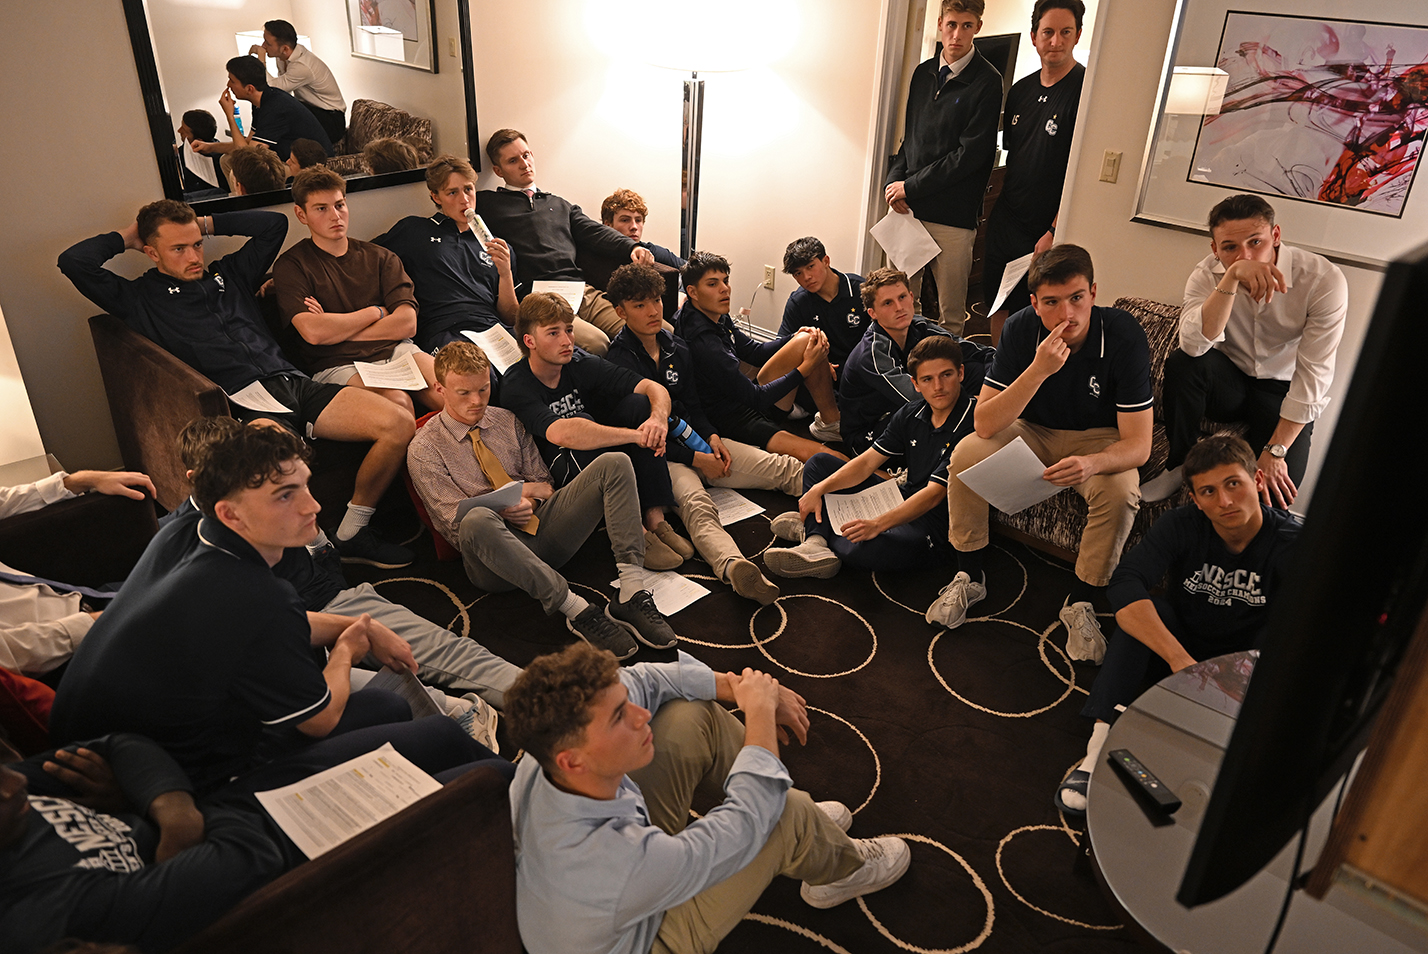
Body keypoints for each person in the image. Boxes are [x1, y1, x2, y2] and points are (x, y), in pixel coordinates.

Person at [45, 424, 488, 794]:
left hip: (103, 735)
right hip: (167, 774)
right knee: (441, 735)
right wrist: (349, 648)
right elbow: (320, 718)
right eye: (284, 495)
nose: (312, 506)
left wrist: (358, 625)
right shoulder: (254, 593)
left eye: (306, 487)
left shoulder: (185, 532)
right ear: (231, 514)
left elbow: (265, 626)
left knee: (385, 708)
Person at [57, 199, 418, 569]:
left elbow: (273, 225)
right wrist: (127, 237)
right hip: (242, 401)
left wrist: (204, 223)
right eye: (178, 249)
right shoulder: (139, 299)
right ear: (151, 252)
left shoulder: (230, 274)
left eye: (196, 244)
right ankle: (318, 550)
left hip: (292, 382)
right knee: (281, 460)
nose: (193, 255)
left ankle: (353, 531)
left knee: (398, 424)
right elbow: (73, 262)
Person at [505, 642, 911, 954]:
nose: (639, 714)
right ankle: (840, 869)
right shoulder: (613, 861)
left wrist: (736, 688)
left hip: (613, 897)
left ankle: (811, 837)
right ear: (572, 761)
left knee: (688, 714)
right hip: (646, 935)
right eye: (618, 717)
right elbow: (750, 819)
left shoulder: (543, 762)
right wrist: (760, 714)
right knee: (782, 817)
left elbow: (644, 678)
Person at [173, 417, 515, 748]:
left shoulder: (265, 508)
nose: (310, 506)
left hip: (324, 601)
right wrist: (349, 643)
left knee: (445, 653)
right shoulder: (194, 548)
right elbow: (310, 706)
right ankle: (456, 710)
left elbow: (308, 566)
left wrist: (345, 613)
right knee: (381, 695)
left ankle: (549, 697)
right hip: (292, 633)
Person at [1053, 435, 1301, 816]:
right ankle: (1094, 755)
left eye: (1234, 483)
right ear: (1196, 500)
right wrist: (1180, 660)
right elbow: (1126, 581)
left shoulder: (1292, 541)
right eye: (1209, 491)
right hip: (1177, 650)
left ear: (1258, 481)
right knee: (1142, 613)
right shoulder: (1183, 524)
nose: (1225, 501)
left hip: (1242, 663)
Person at [931, 245, 1152, 650]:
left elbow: (1139, 445)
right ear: (1035, 303)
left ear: (1093, 293)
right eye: (1051, 302)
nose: (1066, 314)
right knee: (964, 455)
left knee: (1121, 492)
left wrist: (1092, 463)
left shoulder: (1124, 335)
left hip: (1099, 437)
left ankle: (1081, 601)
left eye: (1076, 298)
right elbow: (984, 423)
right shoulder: (1019, 328)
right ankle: (970, 575)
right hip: (1032, 429)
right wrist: (1038, 370)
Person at [407, 340, 682, 658]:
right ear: (440, 389)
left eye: (483, 390)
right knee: (477, 520)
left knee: (615, 464)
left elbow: (545, 484)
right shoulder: (424, 448)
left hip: (541, 530)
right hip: (493, 562)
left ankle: (631, 591)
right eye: (463, 393)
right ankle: (576, 609)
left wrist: (531, 501)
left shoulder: (505, 420)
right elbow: (452, 523)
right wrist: (509, 500)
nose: (476, 401)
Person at [605, 263, 802, 605]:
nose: (653, 311)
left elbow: (694, 406)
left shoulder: (675, 346)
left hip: (698, 441)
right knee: (698, 505)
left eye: (656, 301)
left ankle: (849, 504)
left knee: (780, 467)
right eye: (640, 305)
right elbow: (640, 433)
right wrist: (696, 459)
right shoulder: (617, 363)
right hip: (661, 456)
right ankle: (735, 567)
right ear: (621, 312)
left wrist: (711, 438)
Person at [1146, 193, 1349, 508]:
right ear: (1215, 249)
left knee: (1272, 496)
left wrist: (1275, 452)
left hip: (1282, 391)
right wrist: (1230, 277)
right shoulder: (1206, 274)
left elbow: (1314, 375)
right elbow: (1193, 346)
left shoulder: (1322, 280)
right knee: (1183, 363)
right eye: (1230, 248)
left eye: (1256, 242)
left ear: (1276, 236)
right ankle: (1179, 464)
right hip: (1231, 384)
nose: (1246, 257)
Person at [500, 293, 691, 566]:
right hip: (555, 470)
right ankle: (636, 532)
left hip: (600, 452)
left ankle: (656, 517)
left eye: (568, 330)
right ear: (529, 341)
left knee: (638, 405)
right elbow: (561, 433)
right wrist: (637, 436)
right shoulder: (516, 385)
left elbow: (652, 388)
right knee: (581, 424)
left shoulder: (579, 361)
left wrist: (657, 421)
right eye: (553, 333)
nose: (566, 341)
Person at [765, 335, 975, 578]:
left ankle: (816, 528)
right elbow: (866, 463)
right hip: (902, 496)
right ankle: (816, 541)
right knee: (819, 465)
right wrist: (818, 490)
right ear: (915, 384)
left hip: (936, 526)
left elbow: (933, 495)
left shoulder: (972, 422)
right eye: (927, 379)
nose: (938, 387)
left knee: (867, 547)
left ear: (960, 373)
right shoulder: (911, 411)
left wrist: (878, 524)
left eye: (946, 375)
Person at [273, 166, 440, 414]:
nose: (335, 216)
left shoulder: (382, 257)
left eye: (339, 205)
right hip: (338, 363)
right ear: (301, 214)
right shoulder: (291, 265)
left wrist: (338, 329)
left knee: (453, 390)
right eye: (322, 208)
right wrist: (375, 312)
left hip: (396, 349)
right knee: (398, 403)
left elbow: (407, 324)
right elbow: (314, 333)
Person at [474, 128, 655, 355]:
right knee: (598, 344)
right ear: (498, 170)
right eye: (513, 160)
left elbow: (595, 231)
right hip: (540, 298)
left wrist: (633, 247)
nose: (524, 164)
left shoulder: (559, 204)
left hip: (579, 290)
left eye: (526, 155)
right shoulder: (488, 205)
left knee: (637, 329)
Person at [885, 0, 1003, 335]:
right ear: (940, 23)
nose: (957, 35)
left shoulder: (987, 82)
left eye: (967, 26)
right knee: (902, 302)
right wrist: (894, 182)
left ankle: (945, 381)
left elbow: (969, 156)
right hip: (909, 211)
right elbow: (911, 138)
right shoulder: (923, 74)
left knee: (951, 315)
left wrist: (910, 186)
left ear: (978, 27)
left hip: (953, 217)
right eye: (951, 24)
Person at [982, 0, 1086, 344]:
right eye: (1048, 32)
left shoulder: (1085, 91)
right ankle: (999, 370)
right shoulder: (1019, 91)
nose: (1055, 41)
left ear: (1077, 35)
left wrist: (1055, 229)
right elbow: (1017, 156)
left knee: (1043, 311)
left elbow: (1081, 172)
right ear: (1033, 37)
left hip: (1048, 229)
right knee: (998, 303)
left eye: (1064, 32)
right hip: (1007, 219)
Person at [676, 252, 844, 459]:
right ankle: (890, 484)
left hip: (747, 399)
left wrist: (795, 335)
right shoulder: (704, 343)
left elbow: (753, 352)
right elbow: (756, 398)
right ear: (692, 292)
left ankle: (832, 423)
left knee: (808, 338)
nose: (724, 289)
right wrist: (805, 368)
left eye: (725, 281)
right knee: (825, 455)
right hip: (733, 418)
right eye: (712, 284)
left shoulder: (712, 314)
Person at [0, 469, 154, 676]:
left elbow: (6, 501)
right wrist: (99, 622)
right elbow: (11, 653)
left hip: (83, 598)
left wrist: (80, 480)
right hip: (72, 658)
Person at [838, 267, 993, 456]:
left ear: (911, 297)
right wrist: (973, 403)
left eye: (902, 297)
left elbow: (983, 354)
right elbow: (916, 398)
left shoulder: (919, 325)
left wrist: (993, 392)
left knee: (973, 369)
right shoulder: (870, 354)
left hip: (904, 409)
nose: (899, 307)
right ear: (872, 313)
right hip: (869, 434)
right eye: (888, 303)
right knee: (928, 410)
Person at [373, 154, 518, 353]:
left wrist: (505, 272)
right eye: (452, 193)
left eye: (468, 189)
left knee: (535, 368)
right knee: (476, 374)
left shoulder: (498, 246)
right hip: (445, 330)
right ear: (435, 196)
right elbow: (361, 258)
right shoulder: (413, 230)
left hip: (491, 328)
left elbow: (510, 317)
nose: (464, 200)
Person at [194, 55, 333, 163]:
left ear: (249, 89)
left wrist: (230, 116)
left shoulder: (276, 108)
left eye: (232, 81)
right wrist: (209, 147)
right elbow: (247, 143)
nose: (228, 85)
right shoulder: (261, 101)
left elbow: (249, 156)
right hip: (288, 159)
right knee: (227, 160)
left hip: (308, 166)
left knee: (246, 166)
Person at [246, 18, 347, 144]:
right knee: (274, 107)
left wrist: (261, 60)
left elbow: (272, 87)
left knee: (278, 113)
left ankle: (258, 142)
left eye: (268, 43)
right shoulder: (283, 56)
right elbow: (280, 93)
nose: (263, 46)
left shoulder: (302, 66)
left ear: (285, 49)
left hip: (330, 120)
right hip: (311, 109)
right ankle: (255, 138)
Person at [778, 237, 870, 369]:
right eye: (798, 273)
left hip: (862, 368)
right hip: (820, 371)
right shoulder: (798, 302)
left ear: (826, 261)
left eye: (811, 267)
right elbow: (782, 347)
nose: (806, 277)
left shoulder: (861, 290)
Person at [600, 188, 684, 268]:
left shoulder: (652, 252)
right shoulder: (598, 253)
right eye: (625, 220)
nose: (634, 227)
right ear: (608, 225)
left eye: (638, 220)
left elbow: (693, 271)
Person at [176, 109, 228, 194]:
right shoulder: (181, 152)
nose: (179, 131)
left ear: (199, 140)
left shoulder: (220, 161)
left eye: (184, 131)